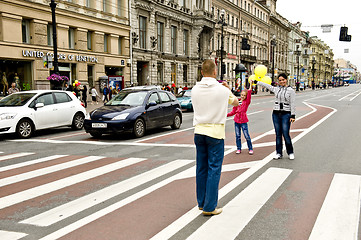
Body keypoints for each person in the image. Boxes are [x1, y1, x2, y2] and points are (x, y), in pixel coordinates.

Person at [191, 59, 239, 216]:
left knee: (201, 168)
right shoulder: (222, 90)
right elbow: (237, 103)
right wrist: (229, 89)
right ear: (214, 72)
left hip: (199, 131)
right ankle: (210, 207)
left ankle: (201, 202)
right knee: (214, 169)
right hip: (216, 133)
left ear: (202, 72)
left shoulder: (194, 89)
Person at [254, 73, 296, 160]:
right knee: (278, 134)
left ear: (286, 80)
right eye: (280, 80)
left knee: (285, 133)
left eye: (283, 80)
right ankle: (278, 153)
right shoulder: (276, 89)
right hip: (276, 114)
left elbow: (293, 103)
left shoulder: (291, 90)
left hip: (286, 114)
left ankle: (290, 152)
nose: (281, 82)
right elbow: (267, 85)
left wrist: (293, 115)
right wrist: (257, 82)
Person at [227, 81, 254, 155]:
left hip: (244, 121)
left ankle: (250, 148)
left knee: (246, 136)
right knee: (238, 136)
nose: (242, 96)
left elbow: (249, 94)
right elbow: (233, 112)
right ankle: (238, 148)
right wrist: (225, 115)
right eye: (241, 95)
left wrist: (251, 85)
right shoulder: (237, 102)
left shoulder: (246, 102)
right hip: (236, 121)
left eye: (244, 95)